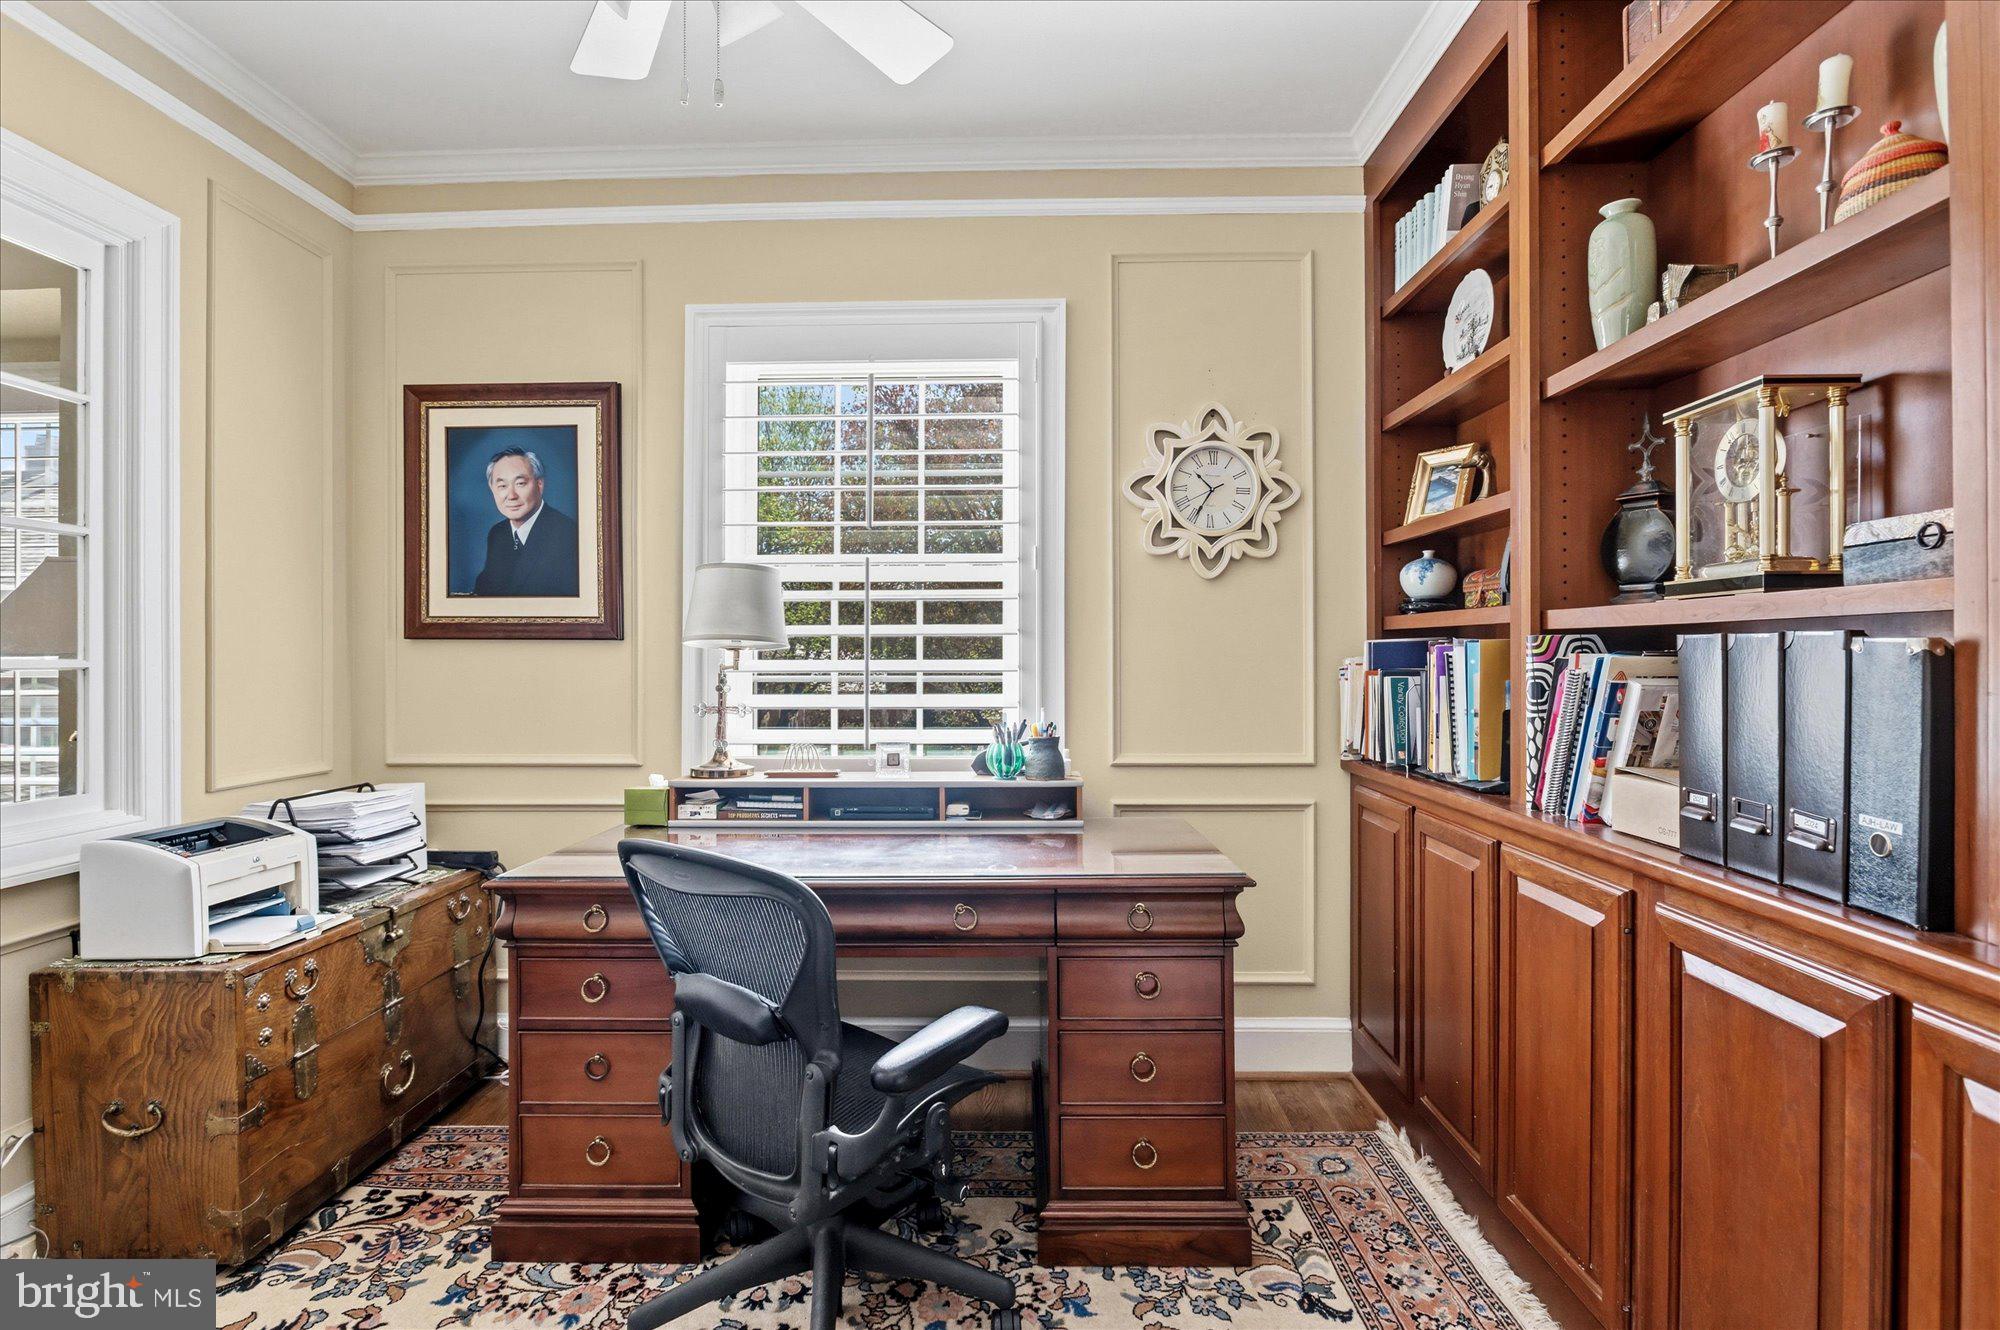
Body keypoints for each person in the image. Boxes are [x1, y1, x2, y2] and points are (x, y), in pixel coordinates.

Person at [471, 446, 580, 597]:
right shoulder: (498, 533)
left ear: (539, 485)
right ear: (492, 489)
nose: (511, 495)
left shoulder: (568, 534)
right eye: (502, 486)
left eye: (520, 483)